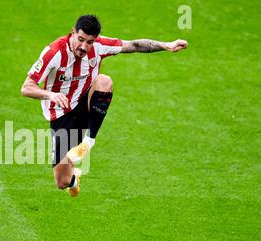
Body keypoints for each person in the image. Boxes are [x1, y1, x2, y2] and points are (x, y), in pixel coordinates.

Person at [21, 14, 188, 197]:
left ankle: (89, 141)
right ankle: (74, 178)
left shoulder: (100, 46)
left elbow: (135, 45)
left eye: (90, 42)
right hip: (61, 114)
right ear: (72, 33)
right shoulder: (54, 52)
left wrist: (166, 45)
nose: (84, 47)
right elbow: (27, 87)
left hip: (85, 101)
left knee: (104, 81)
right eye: (81, 40)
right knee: (62, 182)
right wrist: (51, 94)